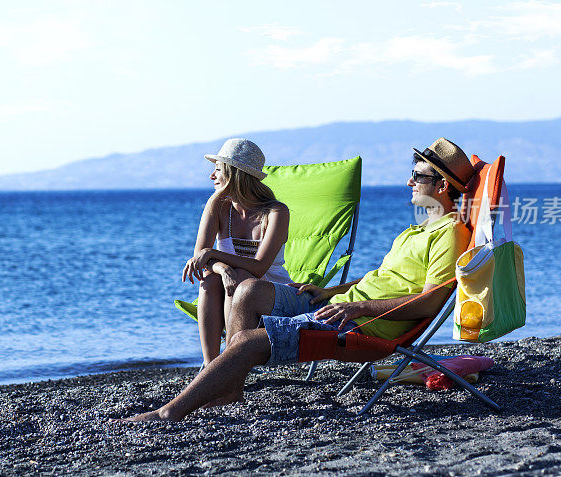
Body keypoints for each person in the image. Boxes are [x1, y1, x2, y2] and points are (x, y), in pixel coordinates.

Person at [126, 138, 473, 422]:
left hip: (361, 326)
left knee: (247, 341)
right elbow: (378, 279)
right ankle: (227, 383)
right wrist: (332, 291)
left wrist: (358, 307)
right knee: (247, 291)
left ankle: (169, 411)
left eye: (419, 177)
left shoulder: (449, 233)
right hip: (339, 306)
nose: (410, 182)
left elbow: (429, 302)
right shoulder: (416, 231)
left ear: (442, 186)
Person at [183, 138, 293, 366]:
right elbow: (200, 258)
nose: (211, 177)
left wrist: (217, 256)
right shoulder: (217, 207)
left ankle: (229, 366)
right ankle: (211, 367)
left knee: (240, 278)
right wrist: (222, 269)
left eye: (217, 171)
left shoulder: (276, 212)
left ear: (234, 175)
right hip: (231, 288)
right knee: (210, 279)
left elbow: (259, 267)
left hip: (270, 294)